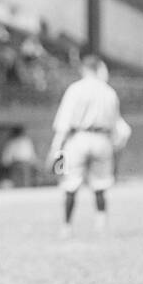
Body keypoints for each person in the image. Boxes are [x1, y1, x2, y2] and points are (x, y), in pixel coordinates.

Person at [46, 54, 123, 237]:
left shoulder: (75, 89)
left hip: (77, 138)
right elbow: (117, 125)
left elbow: (64, 123)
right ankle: (100, 224)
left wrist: (55, 149)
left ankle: (66, 227)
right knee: (100, 184)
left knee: (70, 184)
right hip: (102, 139)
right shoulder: (108, 91)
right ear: (98, 69)